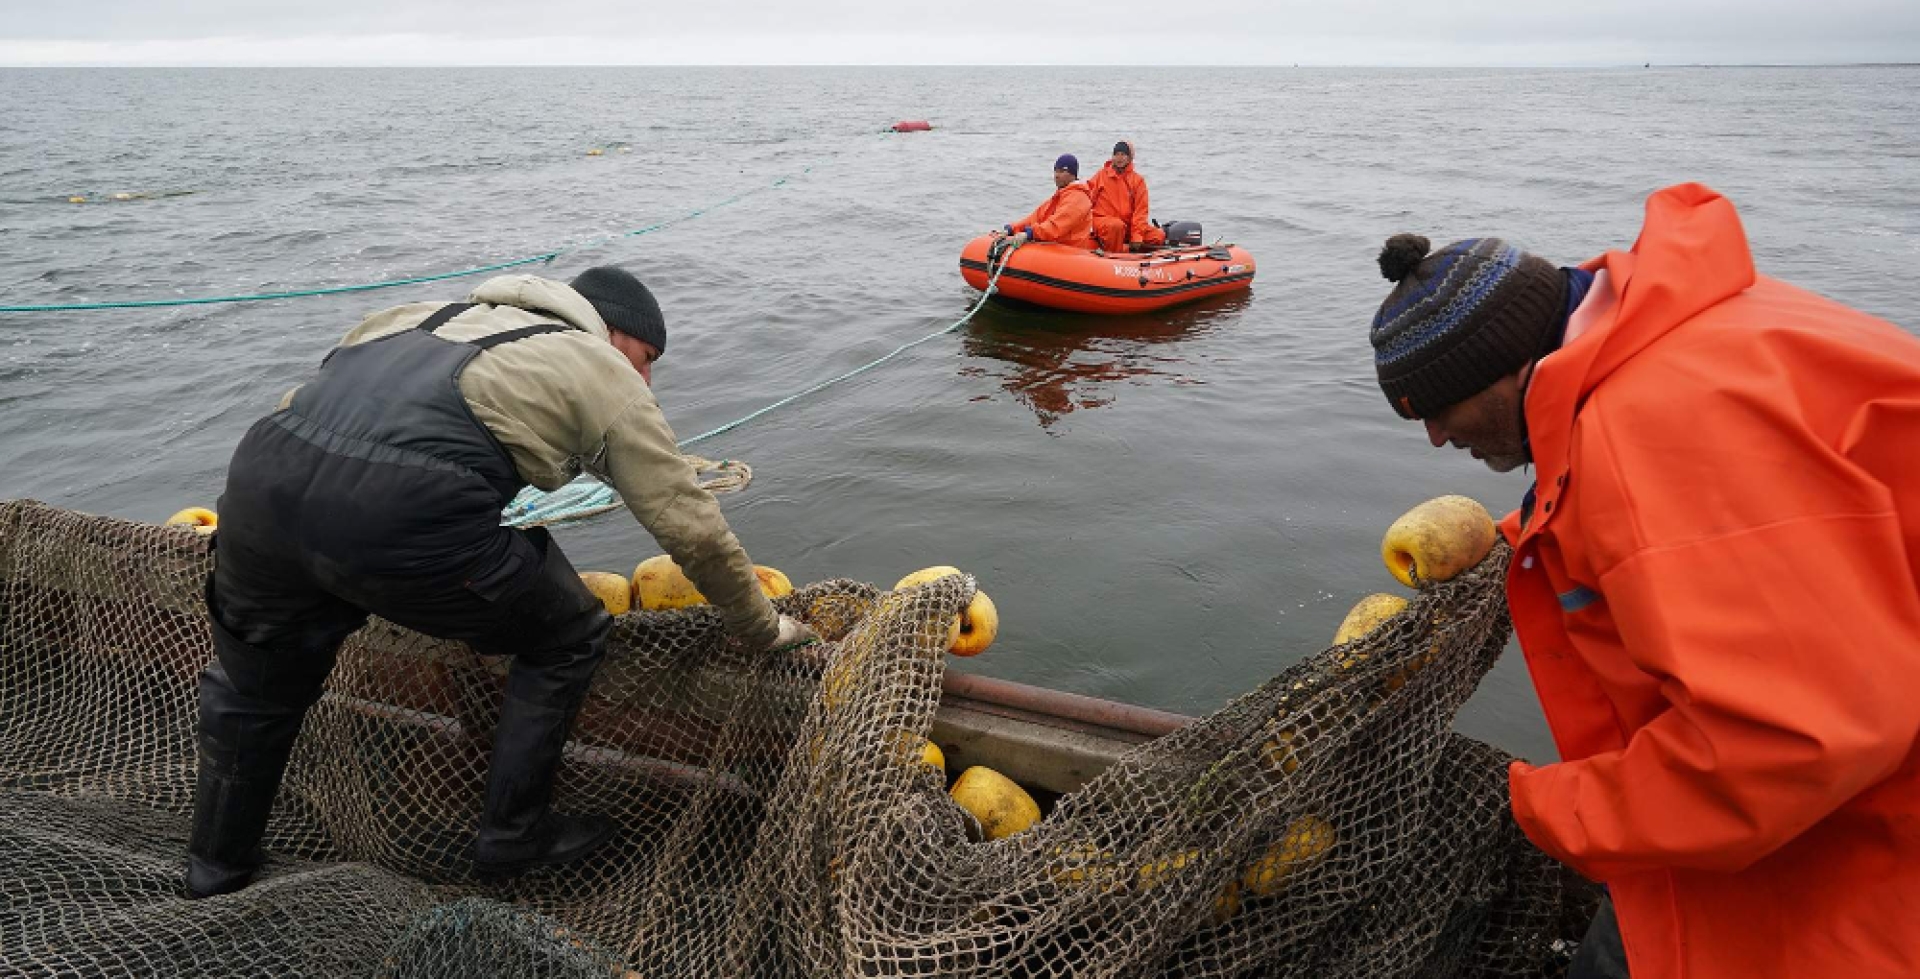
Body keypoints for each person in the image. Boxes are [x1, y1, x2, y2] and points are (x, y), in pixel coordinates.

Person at [1366, 183, 1920, 978]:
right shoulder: (1677, 337)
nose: (1434, 436)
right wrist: (1530, 537)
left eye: (1437, 407)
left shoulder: (1658, 433)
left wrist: (1544, 807)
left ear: (1498, 367)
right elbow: (1744, 539)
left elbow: (1785, 745)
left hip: (1866, 854)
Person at [187, 267, 816, 898]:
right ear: (612, 330)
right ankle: (514, 832)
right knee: (569, 634)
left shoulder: (411, 316)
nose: (644, 377)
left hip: (260, 486)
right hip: (404, 512)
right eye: (645, 358)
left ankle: (216, 870)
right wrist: (759, 625)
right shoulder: (596, 364)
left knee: (255, 687)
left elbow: (338, 414)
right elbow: (694, 531)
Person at [992, 153, 1093, 250]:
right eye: (1056, 171)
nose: (1057, 175)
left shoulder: (1078, 199)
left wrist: (1030, 234)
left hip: (1070, 251)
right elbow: (1035, 218)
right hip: (1056, 248)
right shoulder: (1061, 195)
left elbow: (1056, 226)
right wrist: (1011, 229)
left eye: (1062, 171)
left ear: (1073, 175)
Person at [1085, 140, 1165, 253]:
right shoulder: (1101, 176)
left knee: (1158, 236)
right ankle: (1114, 256)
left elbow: (1141, 212)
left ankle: (1130, 253)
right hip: (1104, 222)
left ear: (1129, 158)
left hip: (1128, 226)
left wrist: (1136, 236)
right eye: (1116, 154)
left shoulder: (1138, 181)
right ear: (1112, 157)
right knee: (1116, 226)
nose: (1119, 158)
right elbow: (1087, 199)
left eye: (1123, 154)